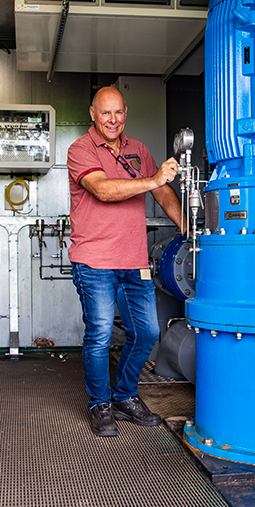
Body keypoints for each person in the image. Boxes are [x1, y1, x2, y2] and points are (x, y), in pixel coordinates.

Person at [67, 86, 182, 437]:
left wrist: (191, 230)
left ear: (126, 112)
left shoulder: (139, 150)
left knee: (146, 332)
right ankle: (100, 404)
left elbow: (162, 193)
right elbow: (102, 189)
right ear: (92, 113)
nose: (113, 120)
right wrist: (152, 179)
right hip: (94, 261)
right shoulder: (80, 150)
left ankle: (125, 396)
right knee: (100, 334)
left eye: (118, 112)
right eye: (105, 113)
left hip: (134, 259)